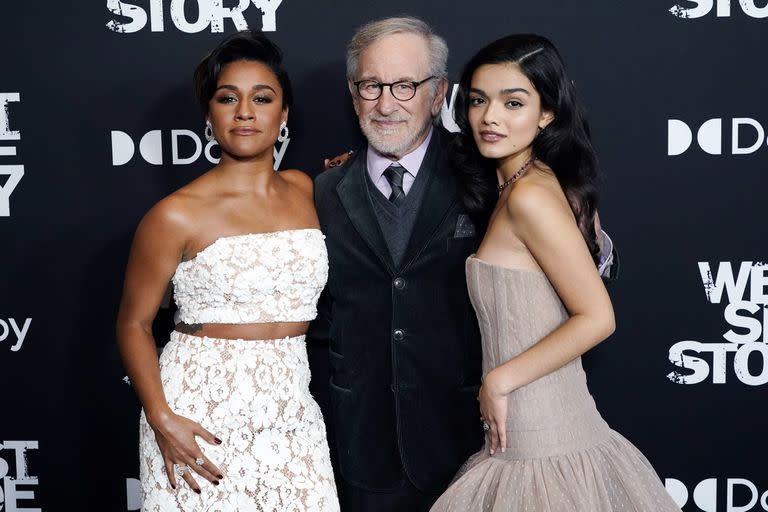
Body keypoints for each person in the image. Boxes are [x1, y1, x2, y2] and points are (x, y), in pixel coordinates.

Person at [430, 34, 680, 511]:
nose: (491, 117)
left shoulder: (531, 196)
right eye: (479, 100)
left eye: (514, 102)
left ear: (546, 114)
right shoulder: (525, 184)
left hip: (540, 429)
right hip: (525, 427)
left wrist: (499, 381)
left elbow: (597, 316)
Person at [116, 31, 339, 511]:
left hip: (291, 409)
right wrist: (161, 418)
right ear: (209, 114)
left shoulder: (306, 189)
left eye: (262, 98)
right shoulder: (175, 215)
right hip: (197, 414)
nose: (244, 112)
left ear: (283, 116)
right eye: (227, 98)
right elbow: (133, 323)